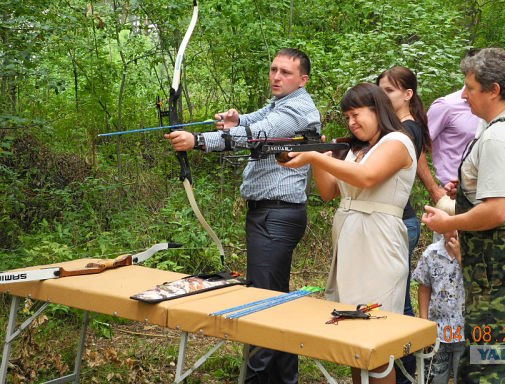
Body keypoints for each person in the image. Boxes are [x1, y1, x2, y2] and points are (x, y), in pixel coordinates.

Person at [164, 48, 320, 384]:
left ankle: (258, 377)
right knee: (275, 301)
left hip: (276, 216)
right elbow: (254, 120)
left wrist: (199, 141)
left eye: (285, 73)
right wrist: (236, 120)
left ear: (302, 80)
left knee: (260, 303)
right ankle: (284, 378)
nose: (276, 77)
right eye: (273, 69)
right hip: (270, 215)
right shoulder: (281, 103)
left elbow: (258, 134)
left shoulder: (298, 109)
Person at [422, 47, 505, 383]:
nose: (463, 95)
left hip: (501, 270)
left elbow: (498, 210)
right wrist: (466, 185)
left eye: (470, 88)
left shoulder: (499, 137)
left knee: (490, 368)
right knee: (504, 360)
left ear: (493, 90)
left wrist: (449, 223)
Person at [280, 82, 417, 384]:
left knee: (376, 338)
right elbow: (328, 191)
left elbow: (368, 178)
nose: (352, 123)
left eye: (356, 114)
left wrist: (317, 158)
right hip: (350, 238)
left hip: (379, 240)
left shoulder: (398, 141)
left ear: (377, 109)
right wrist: (317, 153)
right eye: (347, 118)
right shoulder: (358, 150)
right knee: (354, 339)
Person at [376, 66, 432, 383]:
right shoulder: (400, 126)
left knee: (399, 301)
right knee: (398, 297)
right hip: (398, 220)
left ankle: (407, 369)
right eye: (381, 90)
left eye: (389, 91)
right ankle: (404, 368)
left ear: (407, 94)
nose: (383, 97)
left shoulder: (405, 130)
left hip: (400, 221)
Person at [412, 230, 465, 384]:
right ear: (441, 228)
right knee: (434, 377)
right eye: (449, 226)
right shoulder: (431, 253)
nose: (454, 232)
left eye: (459, 226)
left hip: (465, 332)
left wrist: (460, 256)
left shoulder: (473, 253)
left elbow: (478, 281)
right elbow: (424, 287)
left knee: (465, 377)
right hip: (438, 332)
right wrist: (424, 323)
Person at [427, 86, 480, 223]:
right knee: (447, 244)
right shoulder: (446, 106)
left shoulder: (503, 107)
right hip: (452, 196)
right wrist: (434, 190)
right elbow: (416, 145)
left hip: (492, 197)